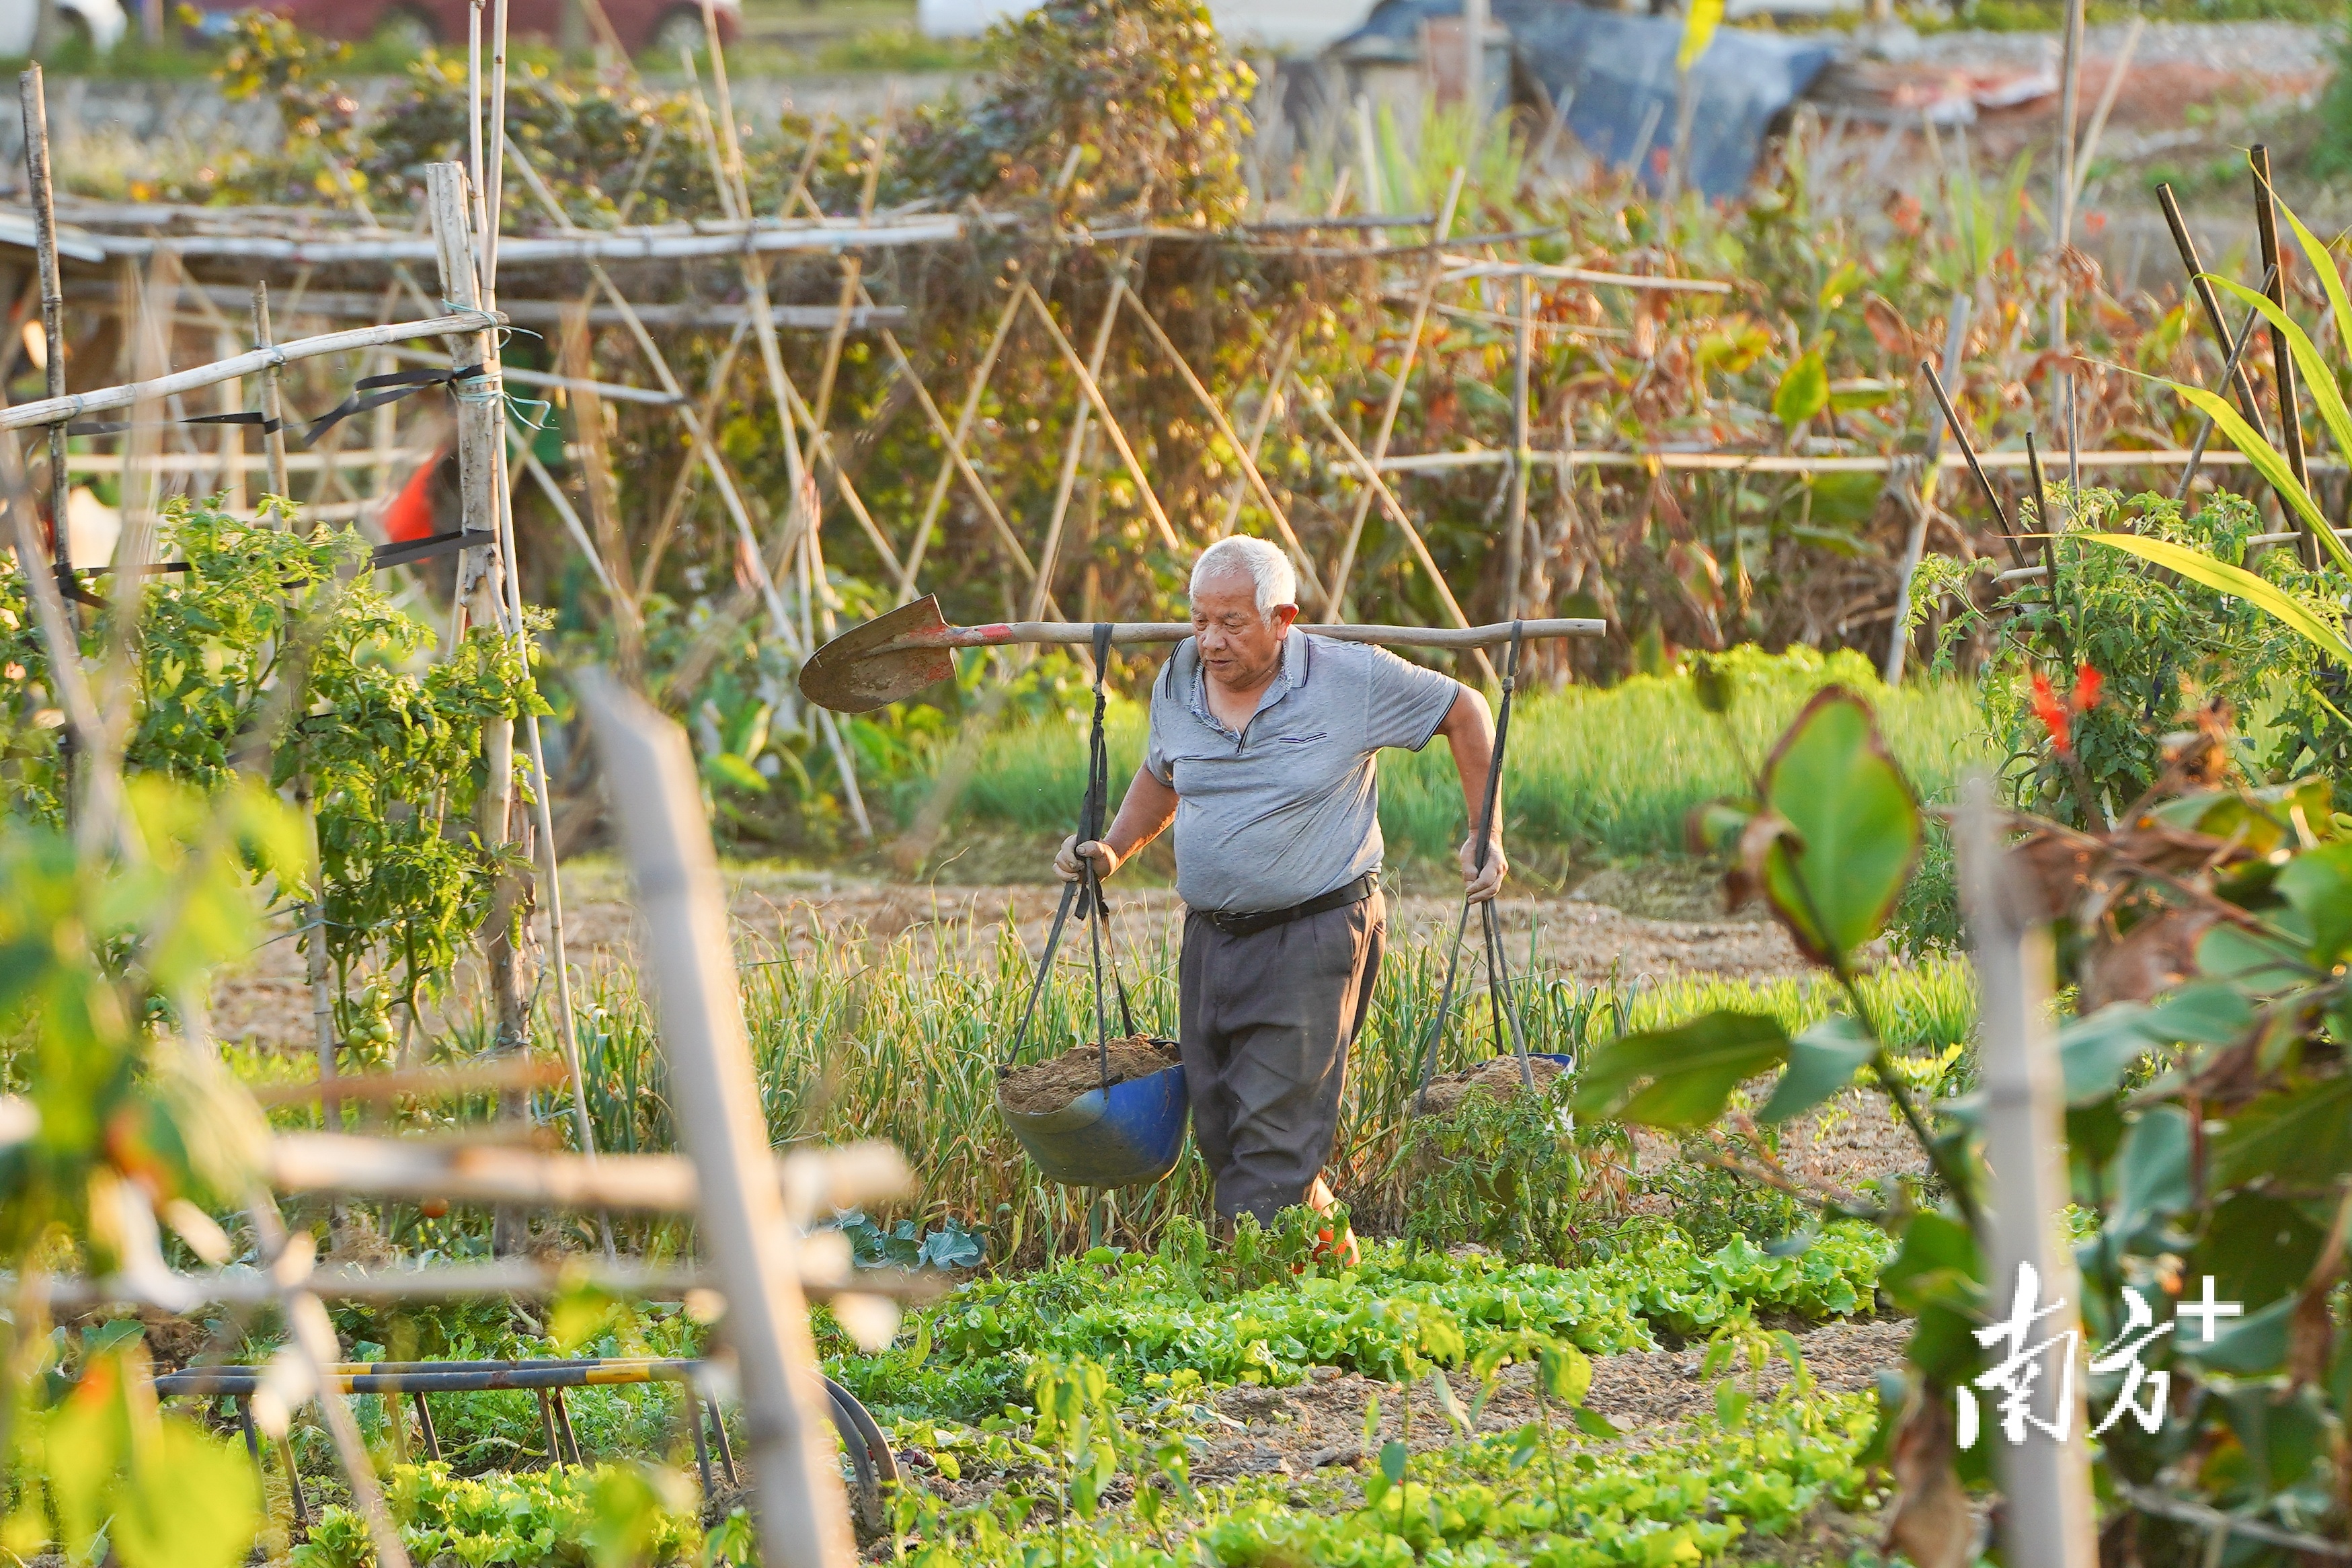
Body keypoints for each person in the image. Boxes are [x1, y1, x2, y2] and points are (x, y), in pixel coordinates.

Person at [1054, 536, 1505, 1258]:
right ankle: (1338, 1256)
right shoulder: (1177, 677)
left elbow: (1466, 709)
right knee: (1225, 1132)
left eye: (1231, 622)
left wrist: (1486, 833)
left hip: (1316, 931)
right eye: (1199, 620)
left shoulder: (1348, 678)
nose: (1210, 640)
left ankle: (1253, 1316)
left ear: (1283, 617)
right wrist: (1113, 847)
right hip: (1213, 938)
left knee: (1273, 1145)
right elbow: (1163, 773)